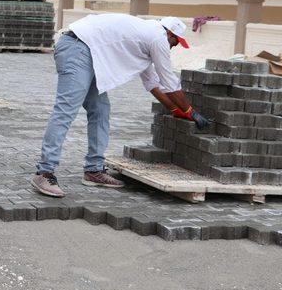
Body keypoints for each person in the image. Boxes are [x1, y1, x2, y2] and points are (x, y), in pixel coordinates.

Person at [32, 14, 210, 198]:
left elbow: (152, 83)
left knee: (100, 111)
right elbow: (170, 82)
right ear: (170, 35)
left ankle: (94, 170)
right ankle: (44, 172)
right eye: (176, 42)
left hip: (91, 53)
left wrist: (174, 109)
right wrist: (190, 112)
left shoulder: (145, 38)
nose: (174, 47)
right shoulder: (157, 37)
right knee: (66, 110)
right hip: (78, 47)